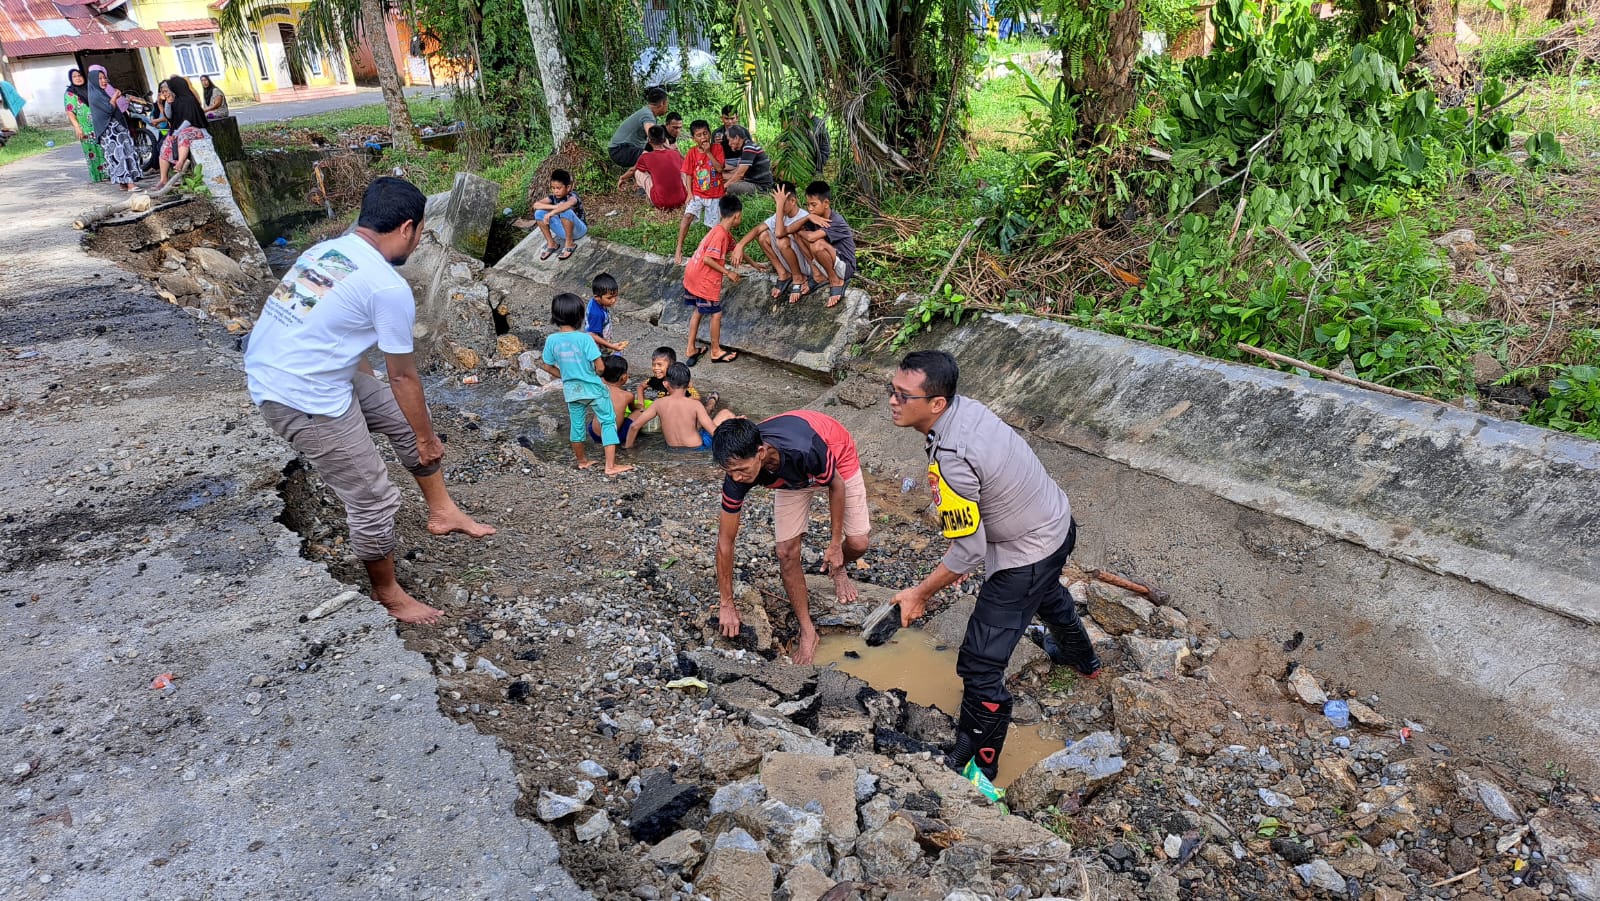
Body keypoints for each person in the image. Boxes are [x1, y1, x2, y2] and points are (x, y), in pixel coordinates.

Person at [244, 177, 496, 625]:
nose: (418, 243)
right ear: (407, 228)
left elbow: (337, 328)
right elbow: (403, 375)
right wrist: (428, 438)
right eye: (419, 234)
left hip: (294, 367)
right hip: (299, 395)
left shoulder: (328, 250)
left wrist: (402, 418)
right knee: (374, 497)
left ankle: (442, 511)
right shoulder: (388, 286)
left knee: (398, 418)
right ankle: (387, 593)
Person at [887, 350, 1101, 782]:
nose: (892, 401)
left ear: (936, 403)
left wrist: (919, 593)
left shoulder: (951, 457)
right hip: (1058, 522)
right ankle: (1083, 659)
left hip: (1027, 552)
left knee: (981, 664)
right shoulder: (971, 410)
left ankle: (979, 765)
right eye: (890, 390)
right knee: (1048, 594)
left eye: (902, 395)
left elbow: (969, 551)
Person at [711, 412, 870, 665]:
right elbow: (725, 542)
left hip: (834, 455)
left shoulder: (805, 447)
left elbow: (836, 485)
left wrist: (834, 544)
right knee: (786, 552)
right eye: (730, 472)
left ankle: (838, 570)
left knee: (858, 543)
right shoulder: (736, 474)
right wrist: (726, 603)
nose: (737, 478)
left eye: (741, 470)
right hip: (789, 479)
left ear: (761, 453)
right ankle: (808, 630)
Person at [539, 292, 633, 476]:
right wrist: (595, 374)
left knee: (577, 425)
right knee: (607, 421)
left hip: (572, 390)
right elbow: (599, 367)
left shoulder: (551, 340)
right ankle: (610, 466)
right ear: (580, 316)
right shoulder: (585, 339)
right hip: (594, 388)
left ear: (555, 316)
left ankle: (582, 461)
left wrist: (565, 376)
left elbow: (547, 366)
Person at [682, 195, 742, 365]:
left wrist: (756, 264)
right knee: (716, 313)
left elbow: (736, 248)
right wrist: (728, 272)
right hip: (704, 279)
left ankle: (691, 348)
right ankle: (715, 351)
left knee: (699, 310)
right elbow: (708, 259)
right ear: (737, 215)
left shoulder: (720, 231)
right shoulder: (720, 235)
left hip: (692, 273)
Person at [778, 180, 858, 307]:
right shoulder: (813, 218)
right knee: (797, 234)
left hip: (845, 268)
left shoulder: (835, 220)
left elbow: (812, 237)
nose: (810, 209)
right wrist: (807, 218)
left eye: (813, 205)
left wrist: (800, 231)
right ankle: (818, 275)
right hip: (828, 264)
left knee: (817, 244)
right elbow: (782, 232)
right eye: (808, 205)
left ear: (826, 203)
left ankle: (835, 281)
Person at [730, 181, 813, 304]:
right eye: (776, 203)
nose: (778, 207)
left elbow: (780, 233)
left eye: (781, 203)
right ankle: (783, 274)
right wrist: (740, 245)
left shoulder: (803, 216)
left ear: (793, 201)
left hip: (808, 264)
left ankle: (798, 278)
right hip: (792, 262)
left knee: (782, 241)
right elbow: (758, 229)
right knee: (763, 236)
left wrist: (779, 207)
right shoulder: (781, 215)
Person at [624, 362, 735, 451]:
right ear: (688, 385)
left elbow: (634, 426)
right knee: (726, 413)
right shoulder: (695, 404)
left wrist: (628, 450)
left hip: (672, 449)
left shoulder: (658, 403)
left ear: (666, 384)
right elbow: (713, 432)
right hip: (698, 447)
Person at [672, 119, 726, 266]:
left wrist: (708, 152)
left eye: (705, 133)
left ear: (710, 133)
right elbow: (688, 174)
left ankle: (709, 251)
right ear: (693, 138)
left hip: (715, 195)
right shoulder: (692, 153)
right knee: (687, 217)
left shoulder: (718, 149)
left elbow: (720, 169)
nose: (703, 138)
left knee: (713, 228)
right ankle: (678, 248)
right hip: (697, 193)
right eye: (699, 135)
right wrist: (689, 193)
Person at [85, 66, 141, 192]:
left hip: (114, 131)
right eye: (100, 79)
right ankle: (130, 184)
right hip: (110, 132)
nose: (104, 81)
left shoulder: (100, 93)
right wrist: (115, 97)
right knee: (120, 155)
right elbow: (109, 109)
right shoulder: (96, 96)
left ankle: (123, 184)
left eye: (104, 78)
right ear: (94, 80)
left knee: (119, 155)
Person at [515, 169, 586, 261]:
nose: (555, 191)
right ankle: (551, 244)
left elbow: (566, 206)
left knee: (565, 211)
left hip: (579, 230)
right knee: (539, 213)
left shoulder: (573, 196)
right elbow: (536, 205)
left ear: (568, 187)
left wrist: (552, 213)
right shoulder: (553, 198)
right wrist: (555, 207)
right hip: (563, 230)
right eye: (553, 188)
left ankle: (569, 244)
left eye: (558, 188)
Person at [616, 125, 686, 211]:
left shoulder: (645, 157)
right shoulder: (675, 154)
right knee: (683, 170)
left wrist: (622, 178)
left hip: (661, 203)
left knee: (638, 171)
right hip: (682, 200)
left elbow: (631, 171)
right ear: (664, 140)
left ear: (649, 140)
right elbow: (687, 166)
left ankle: (647, 194)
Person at [159, 76, 209, 188]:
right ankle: (163, 179)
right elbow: (169, 117)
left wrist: (176, 133)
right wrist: (168, 102)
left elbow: (188, 120)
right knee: (166, 142)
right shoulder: (175, 101)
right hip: (180, 130)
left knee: (183, 135)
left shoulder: (189, 100)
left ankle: (180, 162)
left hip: (196, 129)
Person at [607, 86, 668, 170]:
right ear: (662, 103)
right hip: (619, 150)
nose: (667, 107)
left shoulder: (646, 112)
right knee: (653, 157)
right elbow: (654, 137)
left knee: (657, 152)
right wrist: (670, 152)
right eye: (667, 104)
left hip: (623, 148)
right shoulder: (647, 115)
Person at [64, 69, 107, 183]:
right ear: (71, 79)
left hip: (99, 124)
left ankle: (109, 173)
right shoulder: (70, 94)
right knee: (92, 152)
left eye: (79, 75)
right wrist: (77, 127)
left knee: (103, 148)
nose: (78, 78)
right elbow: (70, 112)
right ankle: (98, 177)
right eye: (74, 77)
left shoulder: (90, 89)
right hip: (85, 128)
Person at [588, 355, 638, 447]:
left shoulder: (598, 389)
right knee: (639, 412)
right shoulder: (627, 396)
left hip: (594, 433)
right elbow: (634, 409)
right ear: (624, 377)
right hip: (614, 438)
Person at [721, 125, 775, 196]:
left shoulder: (748, 148)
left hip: (761, 187)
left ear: (736, 138)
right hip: (755, 182)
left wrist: (723, 187)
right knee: (729, 180)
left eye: (729, 140)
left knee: (731, 187)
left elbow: (740, 174)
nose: (729, 143)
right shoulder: (747, 146)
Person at [585, 272, 628, 354]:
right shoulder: (597, 314)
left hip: (603, 341)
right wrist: (611, 346)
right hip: (597, 348)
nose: (614, 300)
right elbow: (592, 335)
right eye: (609, 298)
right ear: (597, 297)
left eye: (615, 296)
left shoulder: (597, 303)